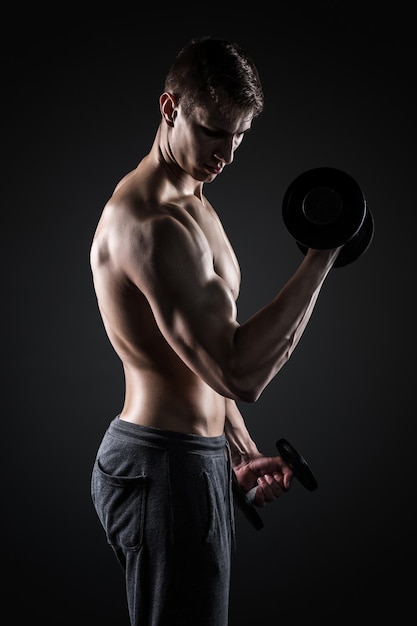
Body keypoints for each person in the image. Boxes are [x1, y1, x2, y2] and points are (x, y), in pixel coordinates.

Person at [90, 36, 341, 626]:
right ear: (169, 106)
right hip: (163, 468)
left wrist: (240, 449)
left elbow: (200, 357)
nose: (226, 152)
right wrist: (324, 250)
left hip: (196, 458)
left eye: (240, 136)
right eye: (212, 131)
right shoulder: (150, 222)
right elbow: (239, 370)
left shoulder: (195, 193)